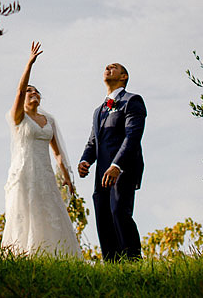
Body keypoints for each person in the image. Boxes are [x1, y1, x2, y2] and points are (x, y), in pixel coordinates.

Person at [1, 41, 81, 257]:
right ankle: (24, 255)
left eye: (36, 91)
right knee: (24, 214)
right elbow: (19, 91)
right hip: (24, 172)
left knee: (50, 214)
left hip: (44, 174)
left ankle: (55, 256)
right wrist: (30, 64)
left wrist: (66, 177)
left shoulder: (49, 120)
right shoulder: (18, 117)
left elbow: (57, 153)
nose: (32, 92)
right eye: (29, 91)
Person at [78, 62, 146, 261]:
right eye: (106, 67)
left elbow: (133, 136)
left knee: (119, 213)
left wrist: (117, 165)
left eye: (114, 67)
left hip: (123, 169)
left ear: (124, 76)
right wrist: (85, 160)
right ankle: (112, 266)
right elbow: (93, 141)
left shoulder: (132, 101)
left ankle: (133, 261)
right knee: (103, 218)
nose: (107, 68)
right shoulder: (98, 111)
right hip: (101, 174)